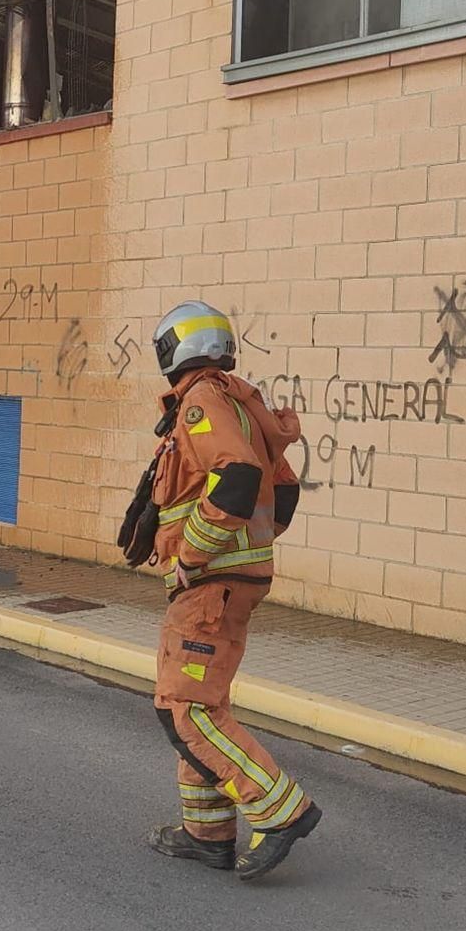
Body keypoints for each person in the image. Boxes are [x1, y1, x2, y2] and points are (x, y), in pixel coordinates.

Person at [119, 300, 320, 882]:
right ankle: (207, 835)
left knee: (184, 711)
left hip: (209, 584)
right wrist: (250, 551)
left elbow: (237, 479)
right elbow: (281, 492)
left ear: (173, 349)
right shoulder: (238, 402)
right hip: (231, 582)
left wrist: (194, 557)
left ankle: (281, 811)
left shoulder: (204, 402)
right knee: (203, 704)